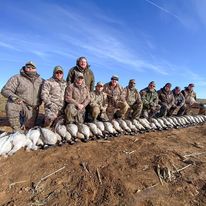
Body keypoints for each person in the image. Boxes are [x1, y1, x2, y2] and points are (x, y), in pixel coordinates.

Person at [1, 61, 43, 132]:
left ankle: (25, 123)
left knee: (29, 127)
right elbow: (5, 90)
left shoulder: (41, 81)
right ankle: (17, 130)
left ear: (35, 69)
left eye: (32, 67)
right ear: (25, 67)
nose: (30, 69)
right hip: (21, 104)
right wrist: (15, 98)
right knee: (11, 104)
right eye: (28, 67)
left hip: (33, 109)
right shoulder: (17, 78)